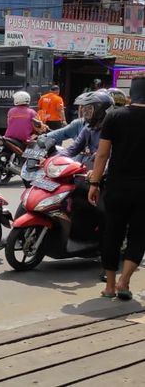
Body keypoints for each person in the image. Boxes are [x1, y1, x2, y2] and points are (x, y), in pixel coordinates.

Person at [89, 75, 145, 301]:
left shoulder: (115, 116)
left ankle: (110, 286)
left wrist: (94, 182)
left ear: (131, 96)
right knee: (139, 235)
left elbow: (102, 154)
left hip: (116, 186)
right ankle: (125, 281)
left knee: (112, 233)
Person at [58, 90, 113, 169]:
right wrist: (54, 158)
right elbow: (73, 149)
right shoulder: (88, 128)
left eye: (89, 109)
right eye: (84, 109)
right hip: (89, 168)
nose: (85, 113)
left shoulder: (113, 129)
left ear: (100, 111)